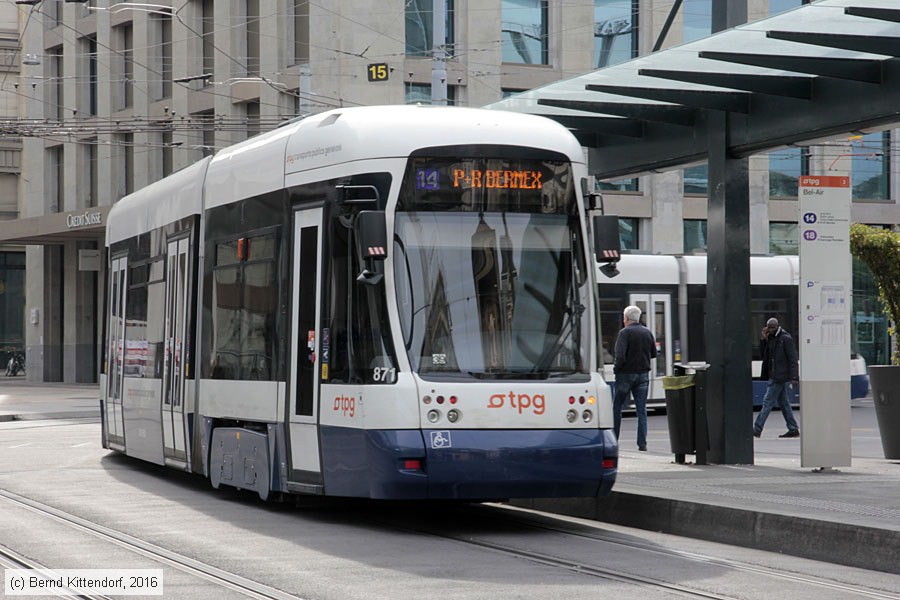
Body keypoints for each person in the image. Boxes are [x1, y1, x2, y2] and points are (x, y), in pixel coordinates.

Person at [613, 305, 658, 451]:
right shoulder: (647, 332)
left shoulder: (624, 333)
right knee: (641, 410)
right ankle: (642, 443)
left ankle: (614, 440)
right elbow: (653, 354)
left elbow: (620, 355)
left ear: (626, 319)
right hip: (643, 375)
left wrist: (616, 369)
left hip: (625, 374)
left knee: (617, 407)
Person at [754, 317, 800, 438]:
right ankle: (793, 428)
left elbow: (793, 359)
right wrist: (763, 339)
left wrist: (794, 376)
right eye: (768, 327)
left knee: (767, 402)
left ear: (777, 326)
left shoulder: (785, 338)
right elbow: (763, 354)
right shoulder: (771, 338)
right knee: (784, 404)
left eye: (772, 327)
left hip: (779, 376)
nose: (770, 329)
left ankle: (757, 429)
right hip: (774, 375)